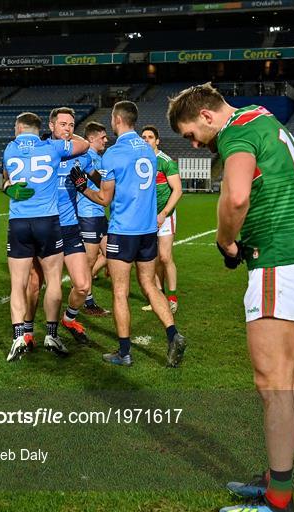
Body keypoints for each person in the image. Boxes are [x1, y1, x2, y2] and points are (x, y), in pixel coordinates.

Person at [167, 83, 294, 512]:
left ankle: (278, 504)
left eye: (192, 135)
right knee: (289, 380)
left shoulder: (235, 132)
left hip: (278, 262)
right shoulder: (258, 115)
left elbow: (236, 195)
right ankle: (279, 481)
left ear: (205, 116)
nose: (195, 144)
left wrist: (225, 240)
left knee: (272, 383)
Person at [69, 100, 186, 367]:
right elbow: (125, 183)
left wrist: (82, 187)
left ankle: (124, 353)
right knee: (149, 285)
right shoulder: (148, 150)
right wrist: (92, 175)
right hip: (147, 230)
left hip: (123, 231)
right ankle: (173, 333)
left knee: (119, 291)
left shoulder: (113, 153)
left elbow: (104, 199)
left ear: (117, 119)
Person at [2, 111, 89, 362]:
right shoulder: (52, 148)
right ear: (42, 126)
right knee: (52, 280)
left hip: (18, 222)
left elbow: (7, 182)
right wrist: (69, 135)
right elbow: (82, 146)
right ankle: (51, 334)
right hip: (48, 221)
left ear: (18, 128)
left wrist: (9, 188)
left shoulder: (9, 149)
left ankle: (19, 335)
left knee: (18, 283)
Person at [23, 107, 105, 347]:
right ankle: (28, 332)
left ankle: (69, 319)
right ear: (51, 126)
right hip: (43, 226)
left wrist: (85, 186)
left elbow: (100, 181)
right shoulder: (39, 151)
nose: (68, 129)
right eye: (63, 124)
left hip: (69, 227)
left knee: (82, 285)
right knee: (36, 284)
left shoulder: (80, 155)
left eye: (71, 125)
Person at [141, 125, 183, 314]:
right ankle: (158, 296)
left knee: (165, 257)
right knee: (153, 259)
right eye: (143, 137)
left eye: (150, 137)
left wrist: (164, 213)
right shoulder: (140, 162)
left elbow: (178, 190)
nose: (146, 140)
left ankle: (172, 298)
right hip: (147, 216)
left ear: (157, 141)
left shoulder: (165, 161)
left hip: (164, 215)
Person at [77, 121, 110, 316]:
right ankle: (88, 302)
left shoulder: (98, 157)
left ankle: (85, 285)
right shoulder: (84, 158)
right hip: (88, 214)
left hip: (99, 214)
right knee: (88, 262)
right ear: (90, 139)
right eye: (102, 137)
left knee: (111, 254)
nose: (106, 140)